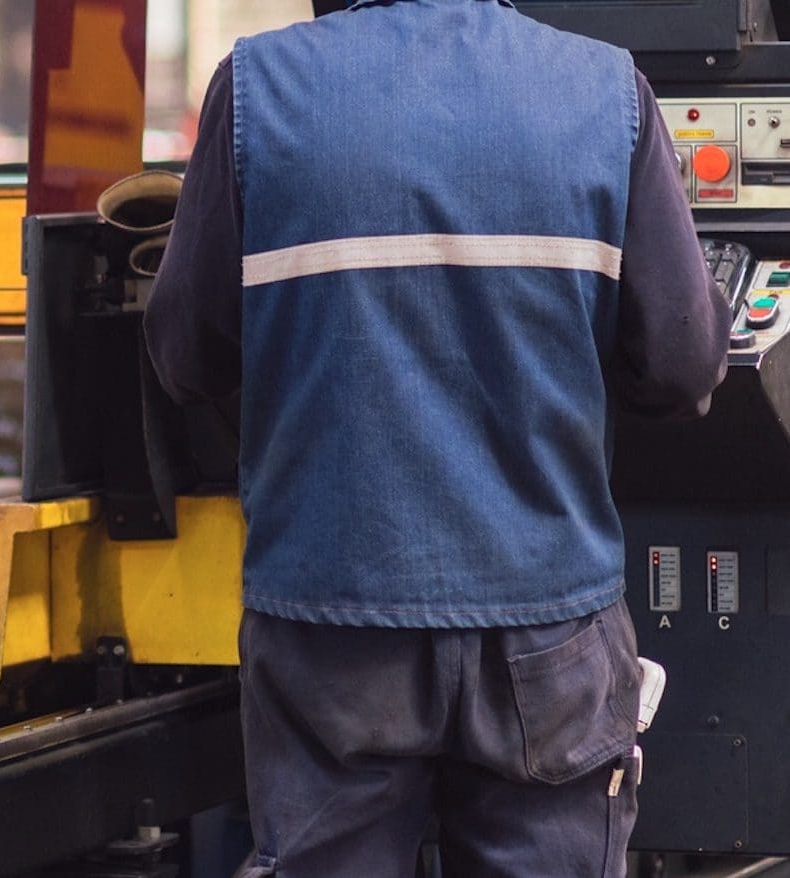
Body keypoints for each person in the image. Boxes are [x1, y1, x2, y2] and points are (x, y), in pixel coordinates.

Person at [142, 1, 731, 875]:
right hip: (545, 618)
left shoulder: (259, 89)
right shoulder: (603, 89)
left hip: (330, 616)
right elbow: (682, 366)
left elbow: (186, 356)